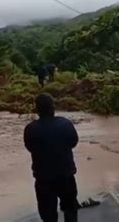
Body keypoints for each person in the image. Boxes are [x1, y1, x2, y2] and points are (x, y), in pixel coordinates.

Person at [24, 93, 79, 222]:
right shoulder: (65, 124)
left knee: (48, 215)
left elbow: (30, 147)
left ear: (37, 109)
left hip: (43, 179)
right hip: (66, 175)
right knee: (70, 210)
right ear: (53, 107)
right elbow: (73, 142)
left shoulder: (31, 128)